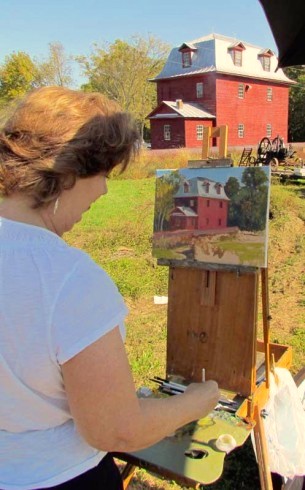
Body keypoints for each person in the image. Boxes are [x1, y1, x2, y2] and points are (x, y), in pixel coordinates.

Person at [0, 86, 219, 490]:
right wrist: (196, 402)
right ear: (65, 173)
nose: (103, 190)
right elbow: (116, 430)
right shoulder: (68, 279)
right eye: (101, 174)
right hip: (58, 478)